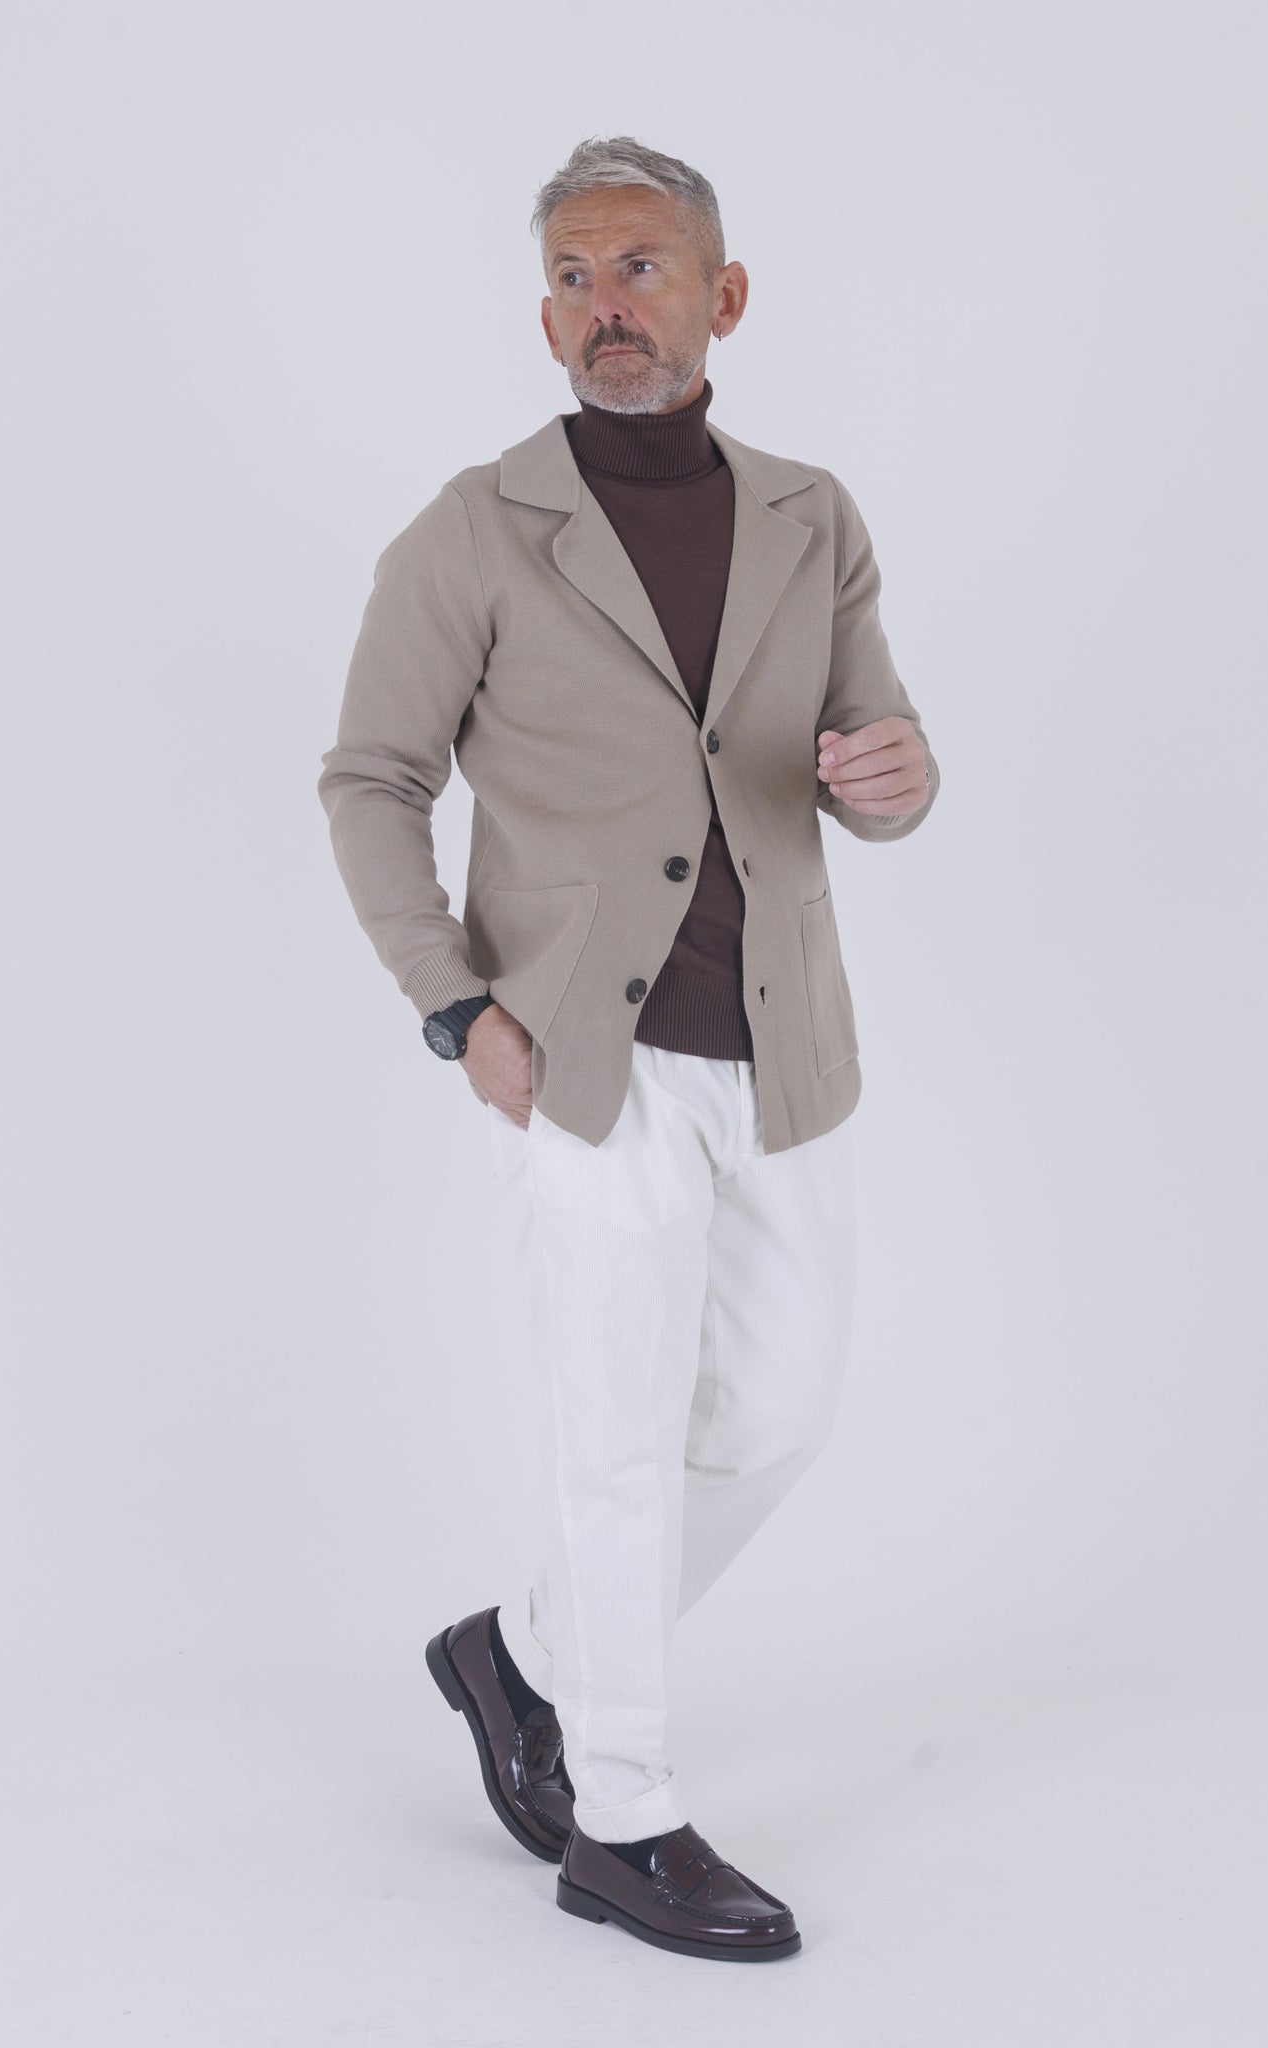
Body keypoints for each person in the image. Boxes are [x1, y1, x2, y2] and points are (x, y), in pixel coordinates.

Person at [317, 134, 939, 1961]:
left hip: (788, 1045)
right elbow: (372, 780)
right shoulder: (472, 530)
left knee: (781, 1414)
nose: (609, 306)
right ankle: (625, 1816)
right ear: (545, 320)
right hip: (587, 1059)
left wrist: (900, 780)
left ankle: (516, 1655)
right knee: (613, 1441)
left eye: (643, 270)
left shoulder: (812, 516)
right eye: (576, 279)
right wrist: (454, 1004)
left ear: (722, 297)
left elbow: (878, 754)